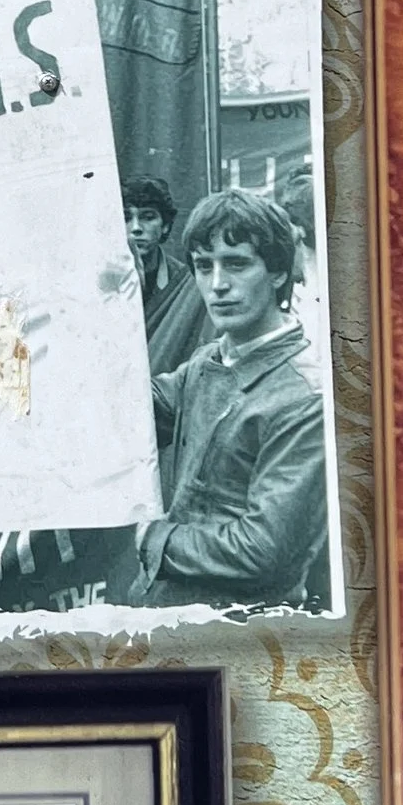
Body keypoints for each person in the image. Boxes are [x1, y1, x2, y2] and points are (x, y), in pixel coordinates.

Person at [135, 191, 329, 612]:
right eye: (204, 266)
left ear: (278, 272)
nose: (218, 284)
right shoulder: (210, 358)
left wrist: (156, 539)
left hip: (241, 633)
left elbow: (264, 551)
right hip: (172, 618)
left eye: (237, 263)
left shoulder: (304, 397)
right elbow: (138, 412)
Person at [123, 174, 205, 386]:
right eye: (126, 217)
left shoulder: (186, 285)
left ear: (166, 226)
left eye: (147, 217)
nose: (135, 228)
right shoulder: (96, 282)